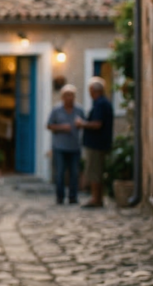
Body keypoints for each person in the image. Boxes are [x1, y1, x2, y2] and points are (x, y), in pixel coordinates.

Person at [76, 77, 114, 209]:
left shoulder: (100, 104)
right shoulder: (103, 103)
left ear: (94, 90)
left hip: (96, 144)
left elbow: (97, 124)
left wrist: (82, 124)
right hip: (100, 143)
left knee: (94, 172)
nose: (89, 93)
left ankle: (96, 199)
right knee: (97, 171)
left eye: (90, 90)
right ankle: (98, 198)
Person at [47, 84, 84, 205]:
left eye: (72, 95)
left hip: (74, 147)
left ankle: (73, 197)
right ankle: (60, 197)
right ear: (63, 97)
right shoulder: (56, 110)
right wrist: (62, 127)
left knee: (74, 173)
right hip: (60, 147)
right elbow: (49, 125)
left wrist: (81, 124)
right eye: (67, 95)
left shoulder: (79, 110)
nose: (70, 98)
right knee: (60, 173)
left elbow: (85, 123)